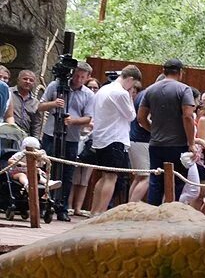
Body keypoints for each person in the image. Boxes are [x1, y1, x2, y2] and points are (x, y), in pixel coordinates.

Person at [37, 60, 96, 222]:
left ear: (87, 77)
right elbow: (40, 106)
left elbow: (89, 118)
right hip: (50, 134)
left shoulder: (89, 94)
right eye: (76, 75)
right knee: (45, 169)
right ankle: (42, 204)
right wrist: (53, 104)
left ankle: (61, 207)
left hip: (71, 138)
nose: (78, 79)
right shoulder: (55, 86)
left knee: (68, 173)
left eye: (82, 77)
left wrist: (73, 121)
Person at [82, 65, 142, 214]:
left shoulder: (104, 89)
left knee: (104, 176)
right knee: (111, 178)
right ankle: (100, 212)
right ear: (130, 79)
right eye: (133, 85)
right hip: (114, 139)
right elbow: (131, 115)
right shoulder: (120, 93)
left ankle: (94, 211)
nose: (132, 89)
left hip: (101, 138)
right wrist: (128, 94)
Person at [138, 58, 197, 205]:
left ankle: (153, 216)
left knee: (156, 182)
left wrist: (153, 130)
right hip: (178, 145)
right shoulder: (184, 89)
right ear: (181, 72)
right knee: (177, 183)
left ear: (163, 71)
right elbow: (188, 116)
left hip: (156, 145)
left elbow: (140, 117)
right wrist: (191, 142)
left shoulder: (150, 90)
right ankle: (170, 216)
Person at [5, 69, 42, 140]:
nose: (28, 82)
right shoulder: (8, 93)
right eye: (25, 79)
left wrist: (35, 140)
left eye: (31, 80)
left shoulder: (35, 102)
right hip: (6, 134)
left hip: (25, 138)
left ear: (34, 84)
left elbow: (36, 124)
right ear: (18, 80)